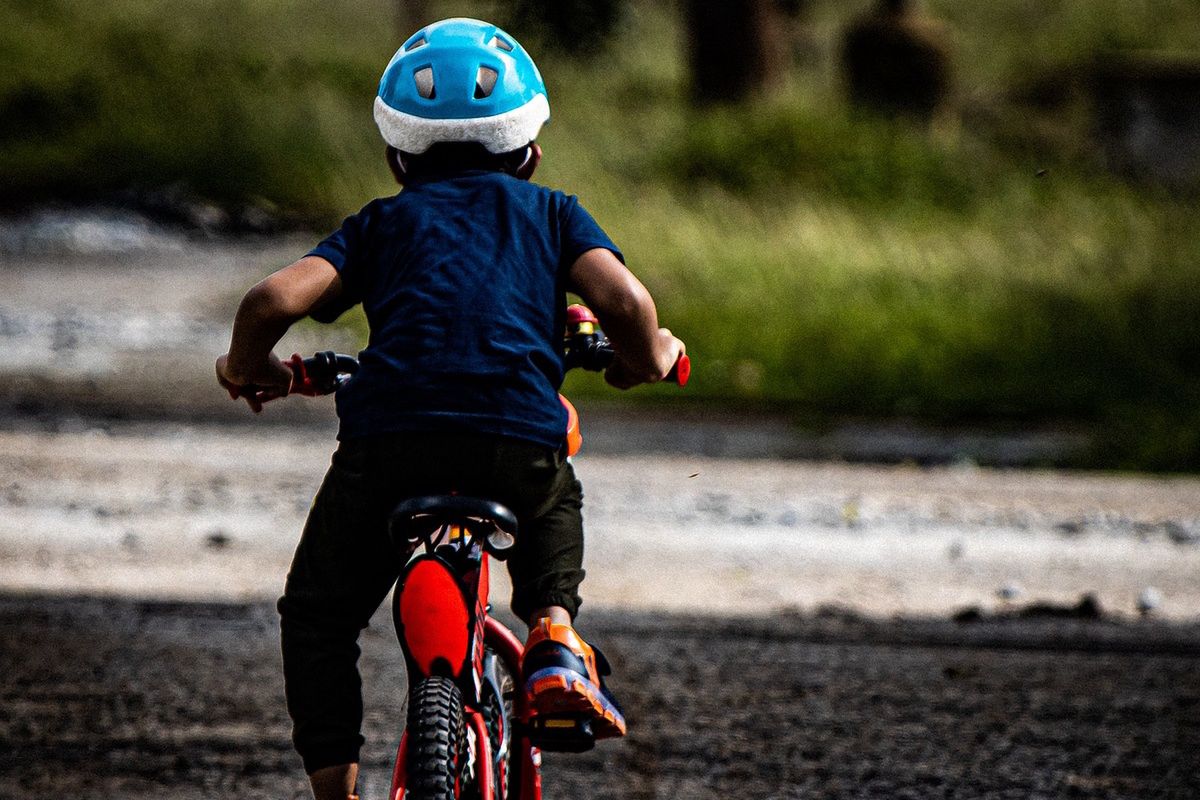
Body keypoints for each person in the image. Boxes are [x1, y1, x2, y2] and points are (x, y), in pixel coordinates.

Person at [214, 18, 685, 800]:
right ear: (530, 150)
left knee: (318, 617)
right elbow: (626, 301)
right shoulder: (555, 215)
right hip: (514, 439)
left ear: (398, 155)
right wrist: (648, 357)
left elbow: (271, 298)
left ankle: (337, 792)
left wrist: (249, 366)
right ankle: (553, 634)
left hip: (388, 447)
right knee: (553, 490)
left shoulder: (379, 224)